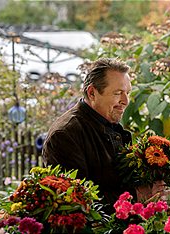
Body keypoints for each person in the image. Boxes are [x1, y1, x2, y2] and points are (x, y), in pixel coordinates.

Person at [42, 57, 135, 207]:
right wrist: (136, 195)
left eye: (128, 93)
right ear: (92, 93)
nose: (126, 101)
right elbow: (78, 202)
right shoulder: (66, 134)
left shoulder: (107, 121)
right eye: (118, 93)